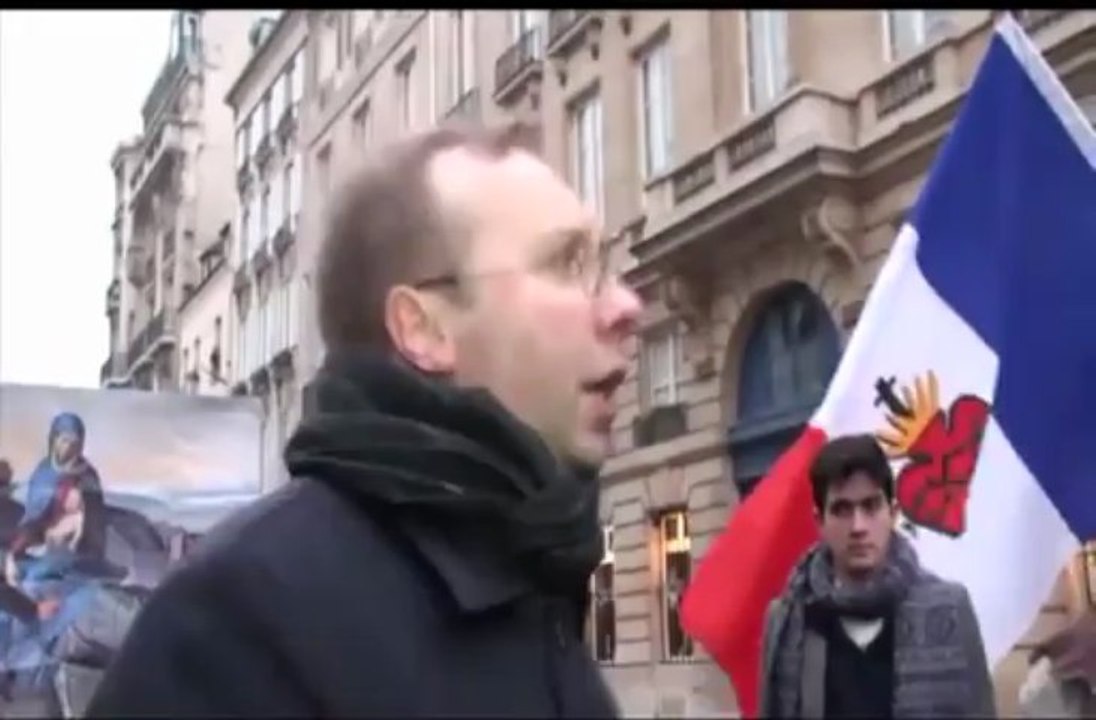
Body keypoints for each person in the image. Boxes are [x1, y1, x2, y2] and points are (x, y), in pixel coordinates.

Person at [86, 121, 641, 717]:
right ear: (422, 328)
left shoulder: (540, 581)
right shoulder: (235, 627)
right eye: (567, 263)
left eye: (602, 265)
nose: (625, 305)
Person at [758, 434, 996, 718]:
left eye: (870, 506)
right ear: (819, 521)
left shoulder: (950, 607)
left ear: (893, 513)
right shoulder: (789, 619)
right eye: (842, 510)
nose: (858, 526)